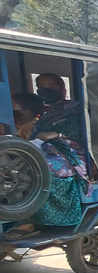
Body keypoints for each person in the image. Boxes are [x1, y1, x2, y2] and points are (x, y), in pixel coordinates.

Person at [2, 75, 88, 239]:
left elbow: (81, 135)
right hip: (43, 149)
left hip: (70, 153)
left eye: (51, 86)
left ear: (62, 89)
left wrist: (56, 135)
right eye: (41, 86)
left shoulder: (74, 109)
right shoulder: (45, 113)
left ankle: (33, 222)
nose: (45, 90)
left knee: (36, 168)